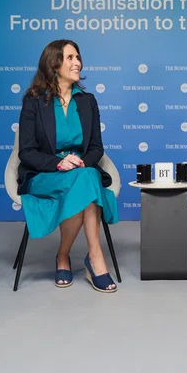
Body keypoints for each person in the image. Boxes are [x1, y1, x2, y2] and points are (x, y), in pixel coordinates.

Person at [17, 39, 119, 293]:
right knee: (85, 182)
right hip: (45, 173)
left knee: (84, 178)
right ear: (54, 64)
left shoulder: (87, 101)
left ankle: (71, 256)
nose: (78, 63)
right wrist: (59, 162)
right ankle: (92, 260)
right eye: (71, 58)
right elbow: (26, 152)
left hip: (81, 170)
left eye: (78, 57)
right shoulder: (33, 101)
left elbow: (96, 147)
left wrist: (81, 162)